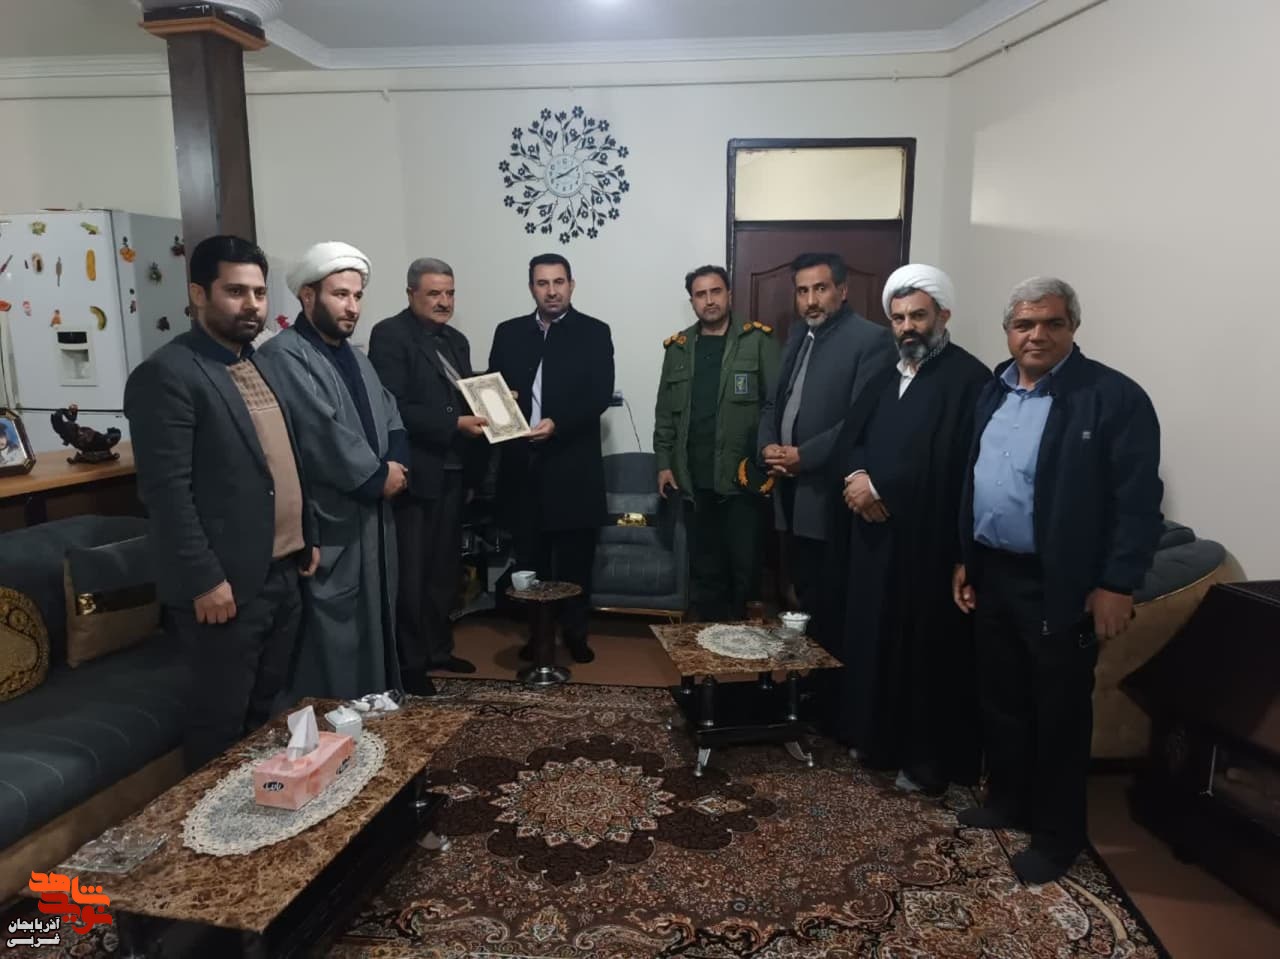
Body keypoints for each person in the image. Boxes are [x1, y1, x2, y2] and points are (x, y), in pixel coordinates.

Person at [953, 277, 1163, 884]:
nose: (1037, 335)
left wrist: (1117, 583)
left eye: (1052, 323)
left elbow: (1137, 502)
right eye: (1024, 324)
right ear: (1008, 331)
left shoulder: (1112, 398)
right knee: (1002, 700)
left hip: (1061, 583)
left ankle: (1057, 836)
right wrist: (965, 559)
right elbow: (976, 480)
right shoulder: (992, 391)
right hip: (994, 572)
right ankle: (1009, 800)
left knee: (1059, 715)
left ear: (1073, 328)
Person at [124, 235, 319, 770]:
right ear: (198, 294)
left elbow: (285, 460)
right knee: (220, 723)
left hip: (282, 572)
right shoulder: (168, 374)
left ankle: (259, 810)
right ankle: (210, 821)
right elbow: (166, 493)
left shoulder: (259, 364)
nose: (252, 305)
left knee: (267, 711)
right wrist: (204, 580)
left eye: (259, 292)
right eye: (235, 291)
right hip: (225, 586)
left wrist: (307, 535)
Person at [826, 264, 989, 795]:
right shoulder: (886, 375)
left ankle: (923, 761)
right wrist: (856, 478)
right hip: (874, 540)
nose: (907, 327)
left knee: (922, 653)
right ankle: (872, 739)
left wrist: (883, 489)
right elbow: (852, 438)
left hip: (927, 543)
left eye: (918, 316)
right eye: (898, 318)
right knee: (872, 638)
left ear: (943, 315)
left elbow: (957, 463)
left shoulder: (969, 380)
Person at [259, 242, 409, 698]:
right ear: (308, 296)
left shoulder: (355, 356)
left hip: (373, 517)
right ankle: (337, 725)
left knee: (377, 620)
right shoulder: (285, 355)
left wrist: (396, 462)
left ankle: (378, 710)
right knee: (335, 636)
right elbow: (320, 432)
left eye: (357, 296)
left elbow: (390, 410)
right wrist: (378, 477)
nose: (352, 307)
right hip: (332, 519)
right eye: (340, 295)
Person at [488, 253, 614, 663]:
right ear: (532, 288)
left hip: (573, 466)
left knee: (576, 561)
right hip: (522, 468)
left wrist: (557, 424)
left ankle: (576, 634)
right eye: (543, 283)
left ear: (571, 285)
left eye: (559, 282)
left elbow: (599, 395)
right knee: (530, 562)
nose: (552, 291)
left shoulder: (594, 332)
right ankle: (538, 634)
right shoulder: (509, 332)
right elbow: (494, 392)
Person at [368, 257, 485, 685]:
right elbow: (393, 406)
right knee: (412, 575)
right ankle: (411, 664)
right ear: (411, 293)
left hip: (453, 471)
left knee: (443, 572)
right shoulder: (390, 334)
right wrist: (454, 422)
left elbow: (463, 395)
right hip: (415, 472)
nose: (444, 301)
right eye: (434, 293)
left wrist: (495, 403)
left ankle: (439, 650)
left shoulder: (456, 340)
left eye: (450, 293)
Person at [758, 252, 895, 616]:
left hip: (830, 493)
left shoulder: (871, 340)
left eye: (820, 288)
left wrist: (803, 456)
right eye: (802, 291)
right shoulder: (798, 334)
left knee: (827, 596)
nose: (811, 300)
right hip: (787, 486)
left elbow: (859, 421)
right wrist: (767, 445)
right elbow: (773, 402)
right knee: (797, 584)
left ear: (842, 290)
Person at [653, 265, 779, 620]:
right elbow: (665, 414)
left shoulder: (758, 341)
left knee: (745, 571)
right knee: (705, 573)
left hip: (743, 480)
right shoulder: (678, 348)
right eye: (700, 294)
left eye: (716, 291)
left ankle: (744, 647)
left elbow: (775, 405)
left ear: (729, 295)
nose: (709, 300)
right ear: (692, 301)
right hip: (694, 480)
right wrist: (663, 463)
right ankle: (709, 644)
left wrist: (768, 456)